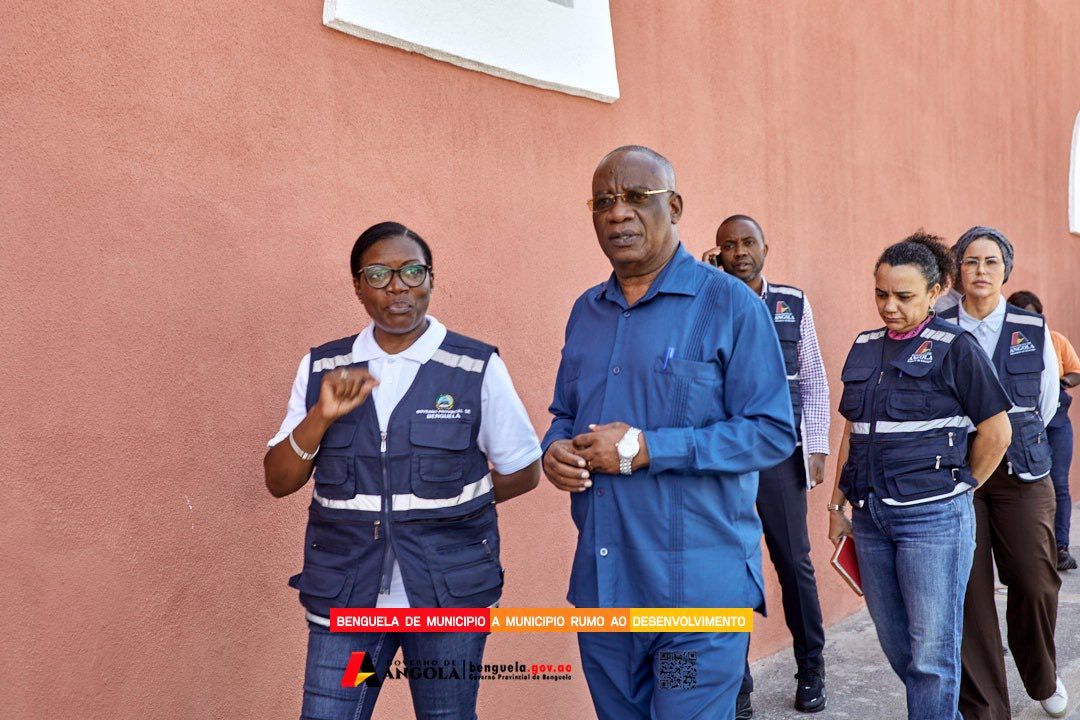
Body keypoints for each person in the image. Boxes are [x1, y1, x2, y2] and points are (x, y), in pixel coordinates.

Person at [541, 145, 797, 720]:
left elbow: (771, 432)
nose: (617, 213)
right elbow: (564, 412)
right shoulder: (587, 312)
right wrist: (552, 449)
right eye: (603, 202)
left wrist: (648, 448)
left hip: (691, 607)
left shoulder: (730, 306)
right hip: (606, 598)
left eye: (636, 197)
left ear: (674, 206)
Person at [263, 221, 541, 720]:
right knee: (332, 713)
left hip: (445, 601)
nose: (398, 287)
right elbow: (279, 481)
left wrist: (447, 503)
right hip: (350, 603)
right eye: (379, 274)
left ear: (431, 279)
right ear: (358, 286)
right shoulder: (324, 367)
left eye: (413, 271)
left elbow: (523, 471)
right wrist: (321, 415)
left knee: (445, 715)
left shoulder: (473, 366)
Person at [827, 231, 1012, 720]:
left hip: (932, 521)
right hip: (871, 519)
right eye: (881, 294)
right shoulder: (865, 346)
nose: (889, 307)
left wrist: (960, 491)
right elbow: (853, 431)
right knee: (899, 646)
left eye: (904, 296)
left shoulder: (957, 348)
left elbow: (997, 432)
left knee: (932, 654)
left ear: (934, 293)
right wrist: (837, 505)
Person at [937, 226, 1069, 719]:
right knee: (969, 593)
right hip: (959, 473)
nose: (981, 271)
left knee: (1035, 581)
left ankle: (1041, 675)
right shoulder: (939, 325)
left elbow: (1046, 402)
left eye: (991, 262)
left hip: (1022, 472)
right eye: (971, 261)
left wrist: (1011, 437)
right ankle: (986, 708)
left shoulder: (1031, 328)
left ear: (1005, 271)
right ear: (958, 270)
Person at [703, 215, 829, 716]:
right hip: (723, 457)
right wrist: (706, 279)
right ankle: (736, 684)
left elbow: (814, 378)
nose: (739, 252)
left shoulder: (792, 303)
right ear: (717, 253)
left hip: (780, 452)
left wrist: (816, 446)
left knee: (793, 562)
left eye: (748, 242)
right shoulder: (706, 300)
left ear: (764, 248)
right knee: (728, 567)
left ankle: (812, 669)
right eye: (728, 245)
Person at [1007, 290, 1080, 571]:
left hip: (1056, 423)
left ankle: (1060, 547)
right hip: (1020, 425)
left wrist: (1061, 382)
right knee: (1021, 484)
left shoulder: (1054, 339)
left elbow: (1076, 370)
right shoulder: (1005, 344)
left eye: (1033, 315)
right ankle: (1026, 548)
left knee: (1058, 483)